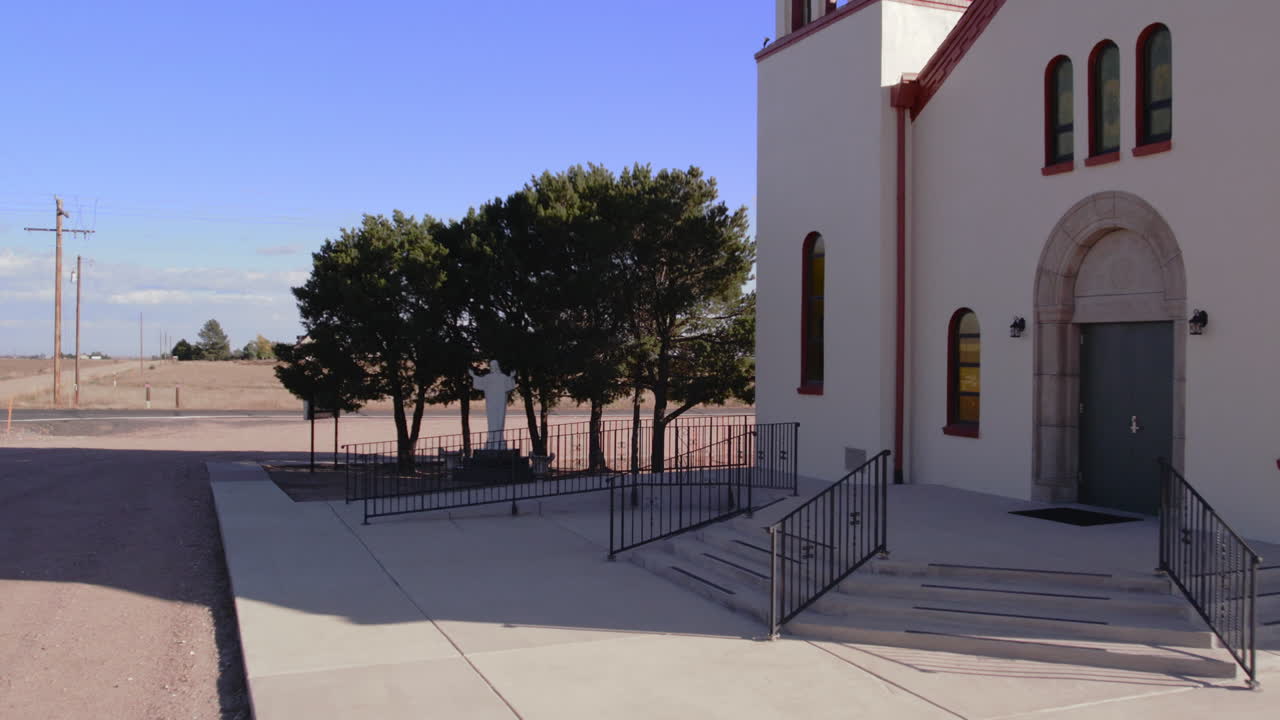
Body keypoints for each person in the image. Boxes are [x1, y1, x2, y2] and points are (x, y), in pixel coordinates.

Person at [469, 361, 516, 448]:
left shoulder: (503, 377)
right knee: (491, 421)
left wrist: (511, 377)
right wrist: (473, 376)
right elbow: (480, 382)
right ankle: (491, 440)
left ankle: (499, 440)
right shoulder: (488, 378)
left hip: (500, 402)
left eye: (494, 366)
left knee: (500, 420)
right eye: (491, 366)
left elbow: (509, 385)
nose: (493, 367)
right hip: (491, 402)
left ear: (497, 366)